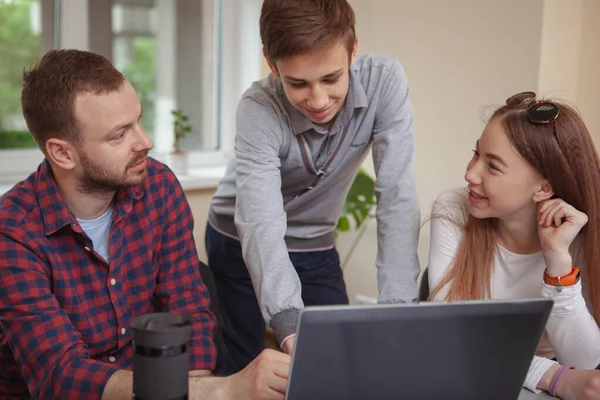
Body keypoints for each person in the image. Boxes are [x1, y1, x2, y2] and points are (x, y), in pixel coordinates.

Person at [0, 49, 290, 400]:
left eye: (138, 120)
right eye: (119, 135)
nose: (146, 142)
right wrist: (219, 391)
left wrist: (194, 388)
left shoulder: (158, 186)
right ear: (62, 153)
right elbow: (61, 376)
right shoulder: (13, 232)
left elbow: (186, 304)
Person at [206, 0, 420, 375]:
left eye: (331, 78)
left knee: (337, 358)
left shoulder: (385, 82)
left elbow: (397, 197)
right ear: (272, 65)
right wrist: (287, 325)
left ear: (353, 49)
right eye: (297, 83)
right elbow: (261, 222)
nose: (318, 100)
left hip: (315, 242)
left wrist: (398, 309)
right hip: (238, 241)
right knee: (248, 365)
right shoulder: (258, 108)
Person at [428, 91, 600, 399]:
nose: (470, 173)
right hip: (473, 376)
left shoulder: (577, 235)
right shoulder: (453, 210)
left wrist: (557, 262)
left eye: (492, 166)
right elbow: (448, 335)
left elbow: (585, 361)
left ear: (543, 187)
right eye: (476, 154)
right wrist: (552, 377)